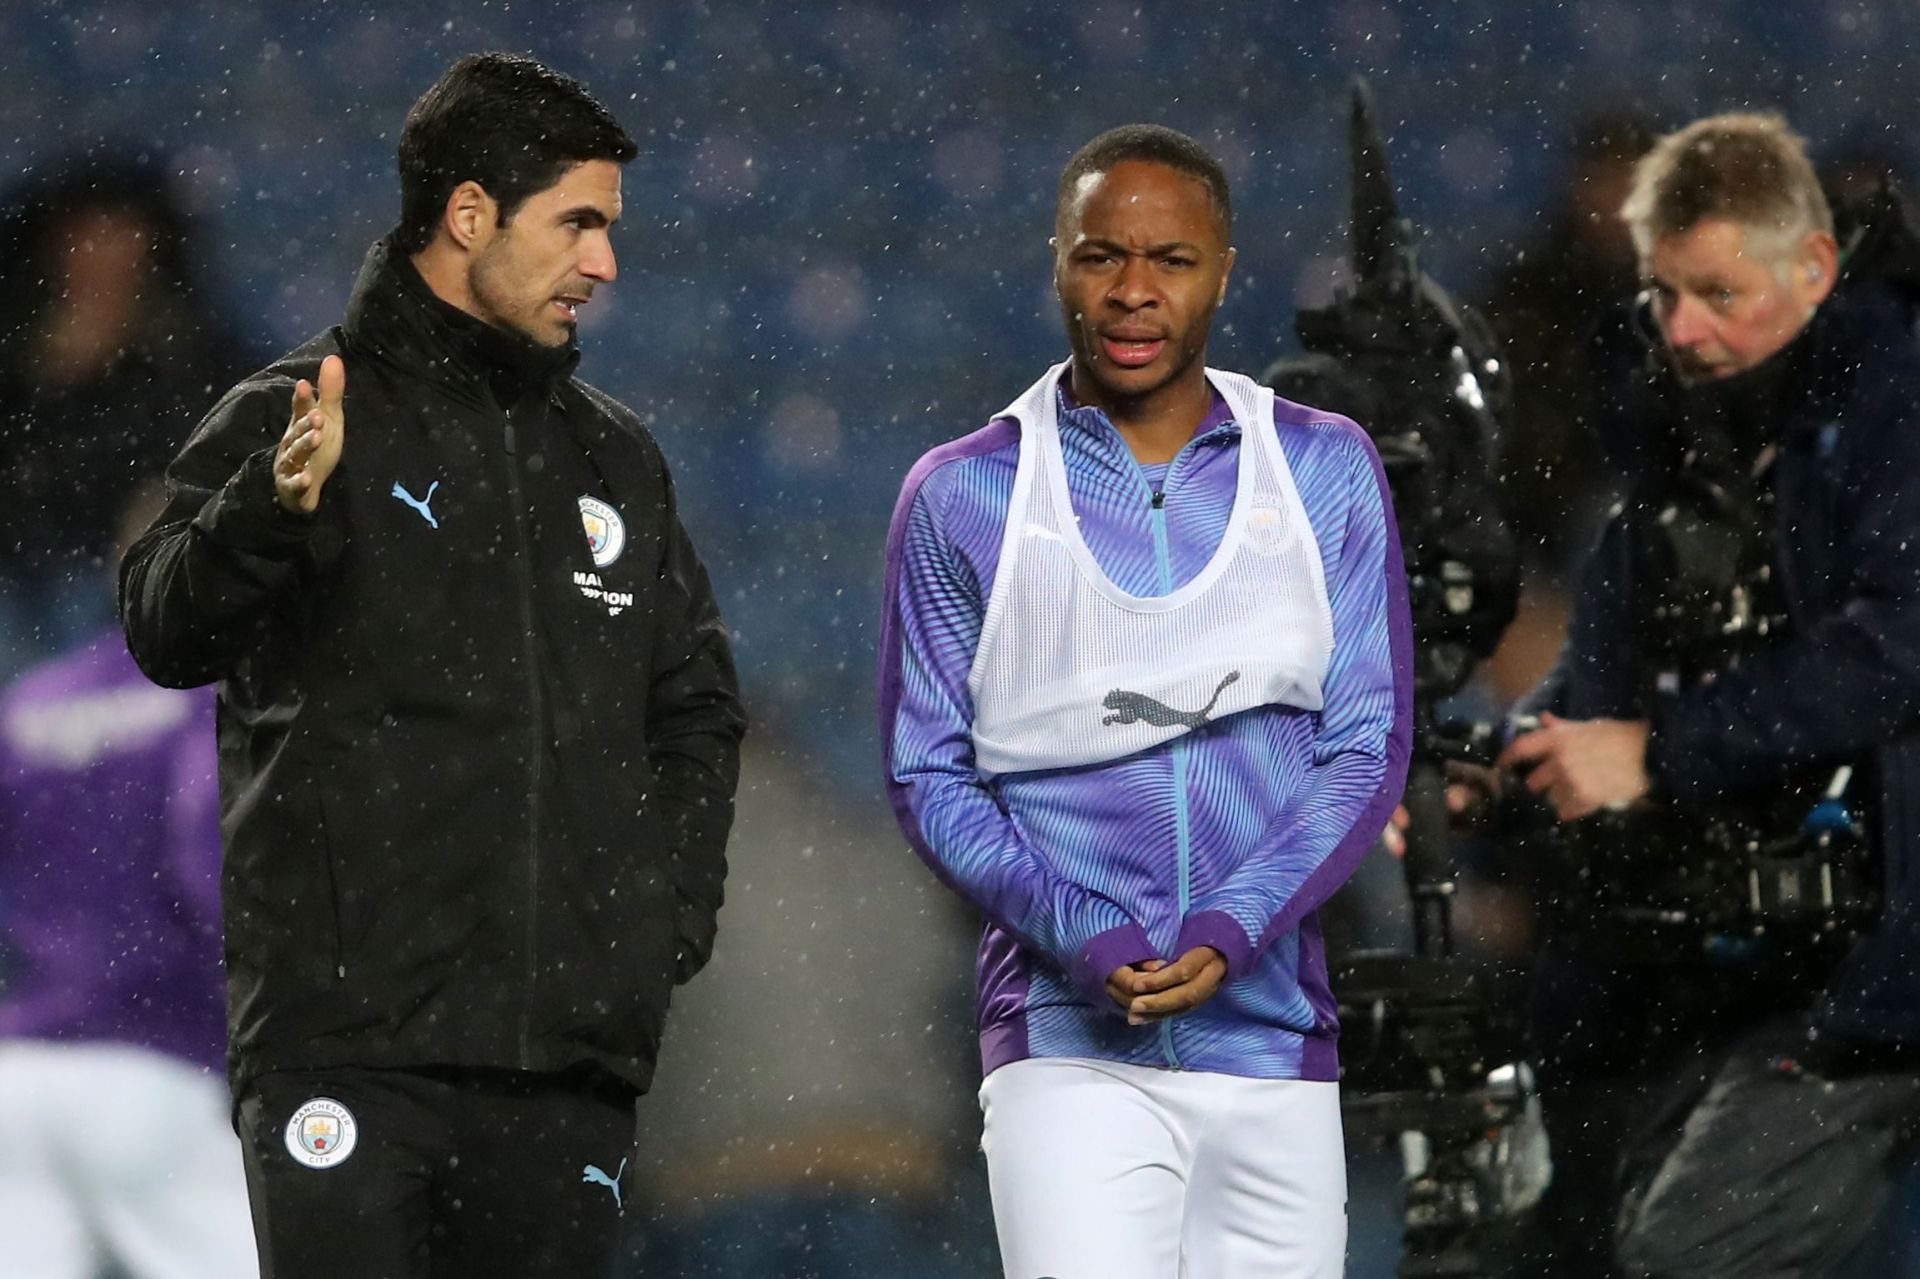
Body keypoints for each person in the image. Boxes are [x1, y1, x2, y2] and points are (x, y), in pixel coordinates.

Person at [119, 52, 746, 1279]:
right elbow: (161, 628)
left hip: (563, 1059)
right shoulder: (294, 416)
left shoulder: (616, 461)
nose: (605, 263)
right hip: (346, 1046)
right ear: (470, 216)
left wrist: (652, 919)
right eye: (578, 224)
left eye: (608, 230)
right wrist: (270, 508)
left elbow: (694, 710)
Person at [880, 124, 1412, 1278]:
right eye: (1100, 256)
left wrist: (1232, 923)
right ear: (1057, 264)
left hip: (1273, 1042)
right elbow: (929, 771)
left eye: (1170, 259)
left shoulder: (1324, 467)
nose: (1133, 290)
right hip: (1067, 1045)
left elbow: (1365, 744)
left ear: (1224, 268)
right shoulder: (963, 494)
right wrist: (1087, 931)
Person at [1481, 112, 1920, 1277]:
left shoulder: (1897, 408)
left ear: (1815, 268)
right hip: (1760, 958)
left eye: (1719, 293)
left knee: (1693, 1248)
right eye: (1665, 294)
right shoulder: (1681, 444)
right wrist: (1507, 783)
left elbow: (1895, 649)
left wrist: (1658, 751)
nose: (1686, 328)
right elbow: (1599, 678)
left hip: (1877, 959)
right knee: (1596, 1228)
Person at [0, 484, 257, 1279]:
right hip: (157, 1070)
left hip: (18, 1076)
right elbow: (208, 868)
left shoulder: (26, 703)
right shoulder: (214, 702)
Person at [0, 153, 253, 681]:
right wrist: (51, 376)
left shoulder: (200, 357)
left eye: (121, 235)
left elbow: (252, 447)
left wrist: (175, 504)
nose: (102, 257)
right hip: (27, 592)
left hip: (150, 598)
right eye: (86, 235)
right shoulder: (18, 364)